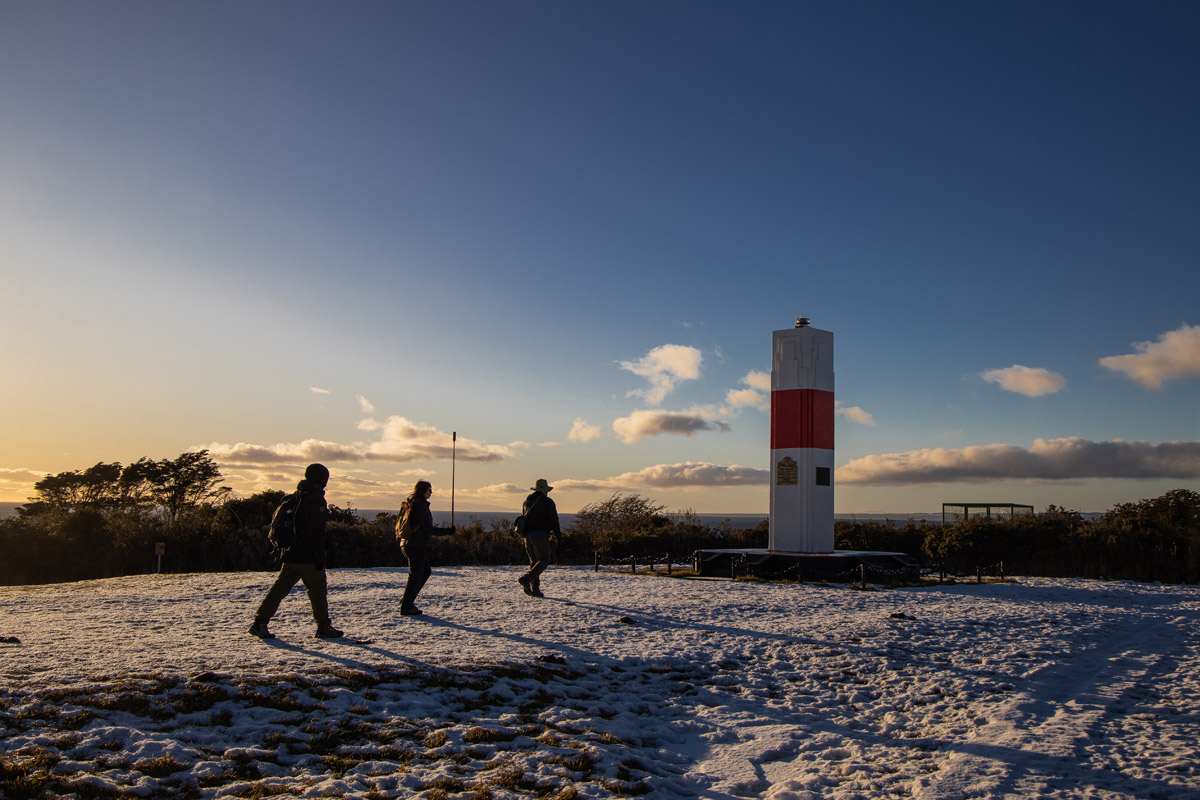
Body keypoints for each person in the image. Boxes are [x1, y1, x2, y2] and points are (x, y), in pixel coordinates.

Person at [249, 464, 344, 639]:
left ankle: (259, 622)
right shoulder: (316, 500)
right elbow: (315, 532)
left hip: (291, 554)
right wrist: (319, 556)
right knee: (317, 589)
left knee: (279, 590)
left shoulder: (297, 496)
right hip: (307, 555)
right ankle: (323, 627)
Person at [396, 480, 455, 616]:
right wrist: (448, 531)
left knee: (424, 572)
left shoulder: (410, 504)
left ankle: (407, 600)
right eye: (430, 490)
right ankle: (406, 606)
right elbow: (427, 528)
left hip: (407, 544)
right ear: (424, 491)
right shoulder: (420, 506)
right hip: (416, 545)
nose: (431, 493)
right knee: (416, 574)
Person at [517, 478, 561, 598]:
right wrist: (558, 535)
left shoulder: (527, 501)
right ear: (545, 490)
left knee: (534, 562)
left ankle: (535, 589)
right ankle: (527, 578)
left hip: (527, 535)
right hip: (540, 535)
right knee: (544, 560)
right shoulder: (548, 502)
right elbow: (554, 520)